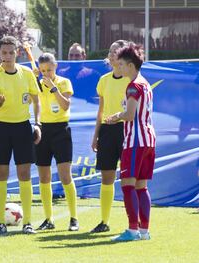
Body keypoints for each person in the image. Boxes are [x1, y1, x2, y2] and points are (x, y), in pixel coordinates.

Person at [0, 36, 41, 235]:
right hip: (0, 127)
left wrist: (38, 123)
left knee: (24, 174)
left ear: (17, 52)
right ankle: (0, 222)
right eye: (4, 53)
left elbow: (36, 100)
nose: (7, 56)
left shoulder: (27, 73)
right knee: (1, 174)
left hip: (23, 127)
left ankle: (28, 222)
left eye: (11, 52)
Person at [106, 42, 155, 242]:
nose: (119, 68)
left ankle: (132, 230)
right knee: (141, 187)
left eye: (121, 65)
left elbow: (129, 114)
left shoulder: (133, 86)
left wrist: (116, 115)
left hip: (135, 140)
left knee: (128, 185)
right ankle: (144, 231)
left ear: (130, 66)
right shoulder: (145, 83)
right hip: (149, 140)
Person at [33, 53, 79, 231]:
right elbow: (33, 101)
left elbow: (65, 105)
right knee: (44, 176)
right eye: (43, 70)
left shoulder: (63, 82)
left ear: (56, 67)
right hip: (43, 130)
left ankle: (74, 218)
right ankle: (48, 219)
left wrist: (53, 88)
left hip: (61, 130)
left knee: (65, 175)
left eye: (49, 70)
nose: (46, 73)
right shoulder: (37, 83)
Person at [90, 40, 130, 233]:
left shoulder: (132, 79)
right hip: (107, 131)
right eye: (111, 51)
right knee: (106, 177)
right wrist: (96, 134)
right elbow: (101, 110)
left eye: (117, 51)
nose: (113, 54)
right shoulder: (104, 80)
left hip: (126, 130)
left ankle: (133, 224)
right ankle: (104, 222)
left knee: (128, 178)